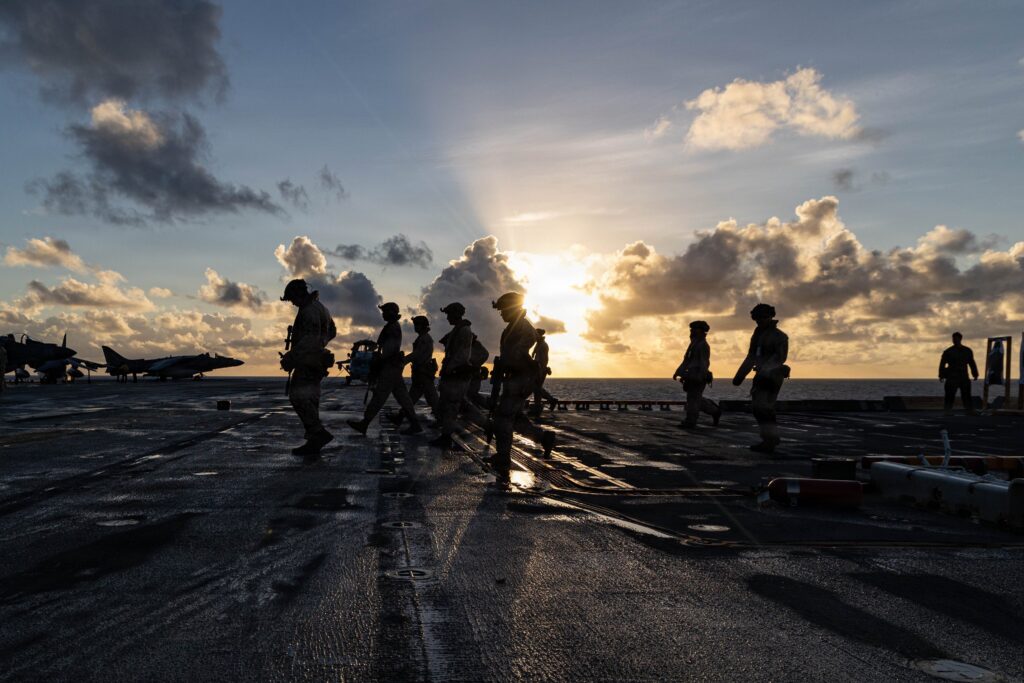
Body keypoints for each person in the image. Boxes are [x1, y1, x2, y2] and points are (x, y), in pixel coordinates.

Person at [490, 292, 555, 485]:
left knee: (503, 417)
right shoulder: (512, 328)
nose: (501, 314)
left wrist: (505, 365)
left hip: (522, 378)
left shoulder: (524, 328)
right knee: (515, 418)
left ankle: (503, 457)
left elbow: (517, 355)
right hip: (515, 377)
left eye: (503, 310)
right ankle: (544, 438)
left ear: (512, 308)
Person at [279, 279, 337, 457]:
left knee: (298, 397)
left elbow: (309, 340)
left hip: (308, 362)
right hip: (316, 361)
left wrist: (291, 357)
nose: (292, 303)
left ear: (299, 294)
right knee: (311, 400)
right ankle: (314, 442)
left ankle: (318, 433)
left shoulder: (309, 311)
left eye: (292, 299)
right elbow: (332, 330)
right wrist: (323, 342)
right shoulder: (321, 308)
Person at [348, 302, 423, 435]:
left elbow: (388, 350)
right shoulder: (391, 326)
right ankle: (415, 424)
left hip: (389, 367)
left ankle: (364, 423)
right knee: (403, 397)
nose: (383, 314)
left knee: (379, 396)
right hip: (393, 367)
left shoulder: (392, 328)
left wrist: (378, 364)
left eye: (385, 312)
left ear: (391, 313)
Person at [732, 303, 789, 453]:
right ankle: (768, 438)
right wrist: (740, 375)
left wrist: (765, 371)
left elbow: (779, 358)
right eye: (757, 319)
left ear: (770, 317)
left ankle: (770, 439)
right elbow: (751, 356)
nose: (759, 322)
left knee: (764, 408)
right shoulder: (757, 334)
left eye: (762, 318)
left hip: (772, 376)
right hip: (761, 375)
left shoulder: (780, 337)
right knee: (758, 409)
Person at [431, 303, 474, 449]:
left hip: (456, 374)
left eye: (449, 314)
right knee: (454, 406)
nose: (448, 317)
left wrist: (450, 369)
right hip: (452, 374)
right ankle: (488, 426)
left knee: (451, 407)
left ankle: (446, 437)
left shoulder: (464, 331)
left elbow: (462, 355)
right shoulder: (457, 330)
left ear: (456, 314)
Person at [390, 315, 438, 427]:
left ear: (422, 325)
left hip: (423, 373)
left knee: (431, 399)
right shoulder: (423, 337)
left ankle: (441, 420)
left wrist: (404, 361)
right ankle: (400, 417)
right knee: (411, 398)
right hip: (420, 373)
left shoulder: (424, 339)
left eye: (416, 324)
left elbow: (417, 354)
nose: (415, 327)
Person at [673, 320, 722, 428]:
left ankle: (691, 421)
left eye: (694, 329)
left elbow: (704, 363)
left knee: (693, 399)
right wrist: (679, 372)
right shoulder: (693, 344)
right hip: (691, 374)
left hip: (698, 374)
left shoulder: (703, 345)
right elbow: (686, 360)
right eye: (691, 329)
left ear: (701, 331)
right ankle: (715, 411)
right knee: (694, 398)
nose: (692, 331)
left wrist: (700, 375)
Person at [939, 332, 979, 416]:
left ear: (960, 339)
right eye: (953, 339)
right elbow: (942, 364)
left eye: (956, 338)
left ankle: (969, 410)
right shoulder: (948, 351)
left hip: (964, 376)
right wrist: (941, 375)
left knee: (966, 395)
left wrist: (975, 373)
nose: (954, 340)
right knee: (949, 395)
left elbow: (971, 363)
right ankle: (947, 411)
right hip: (952, 376)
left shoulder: (967, 351)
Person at [528, 329, 558, 417]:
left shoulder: (543, 346)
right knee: (536, 389)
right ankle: (546, 403)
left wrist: (540, 370)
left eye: (536, 335)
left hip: (540, 369)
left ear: (539, 335)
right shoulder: (538, 345)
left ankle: (549, 401)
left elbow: (544, 360)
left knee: (536, 388)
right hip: (537, 369)